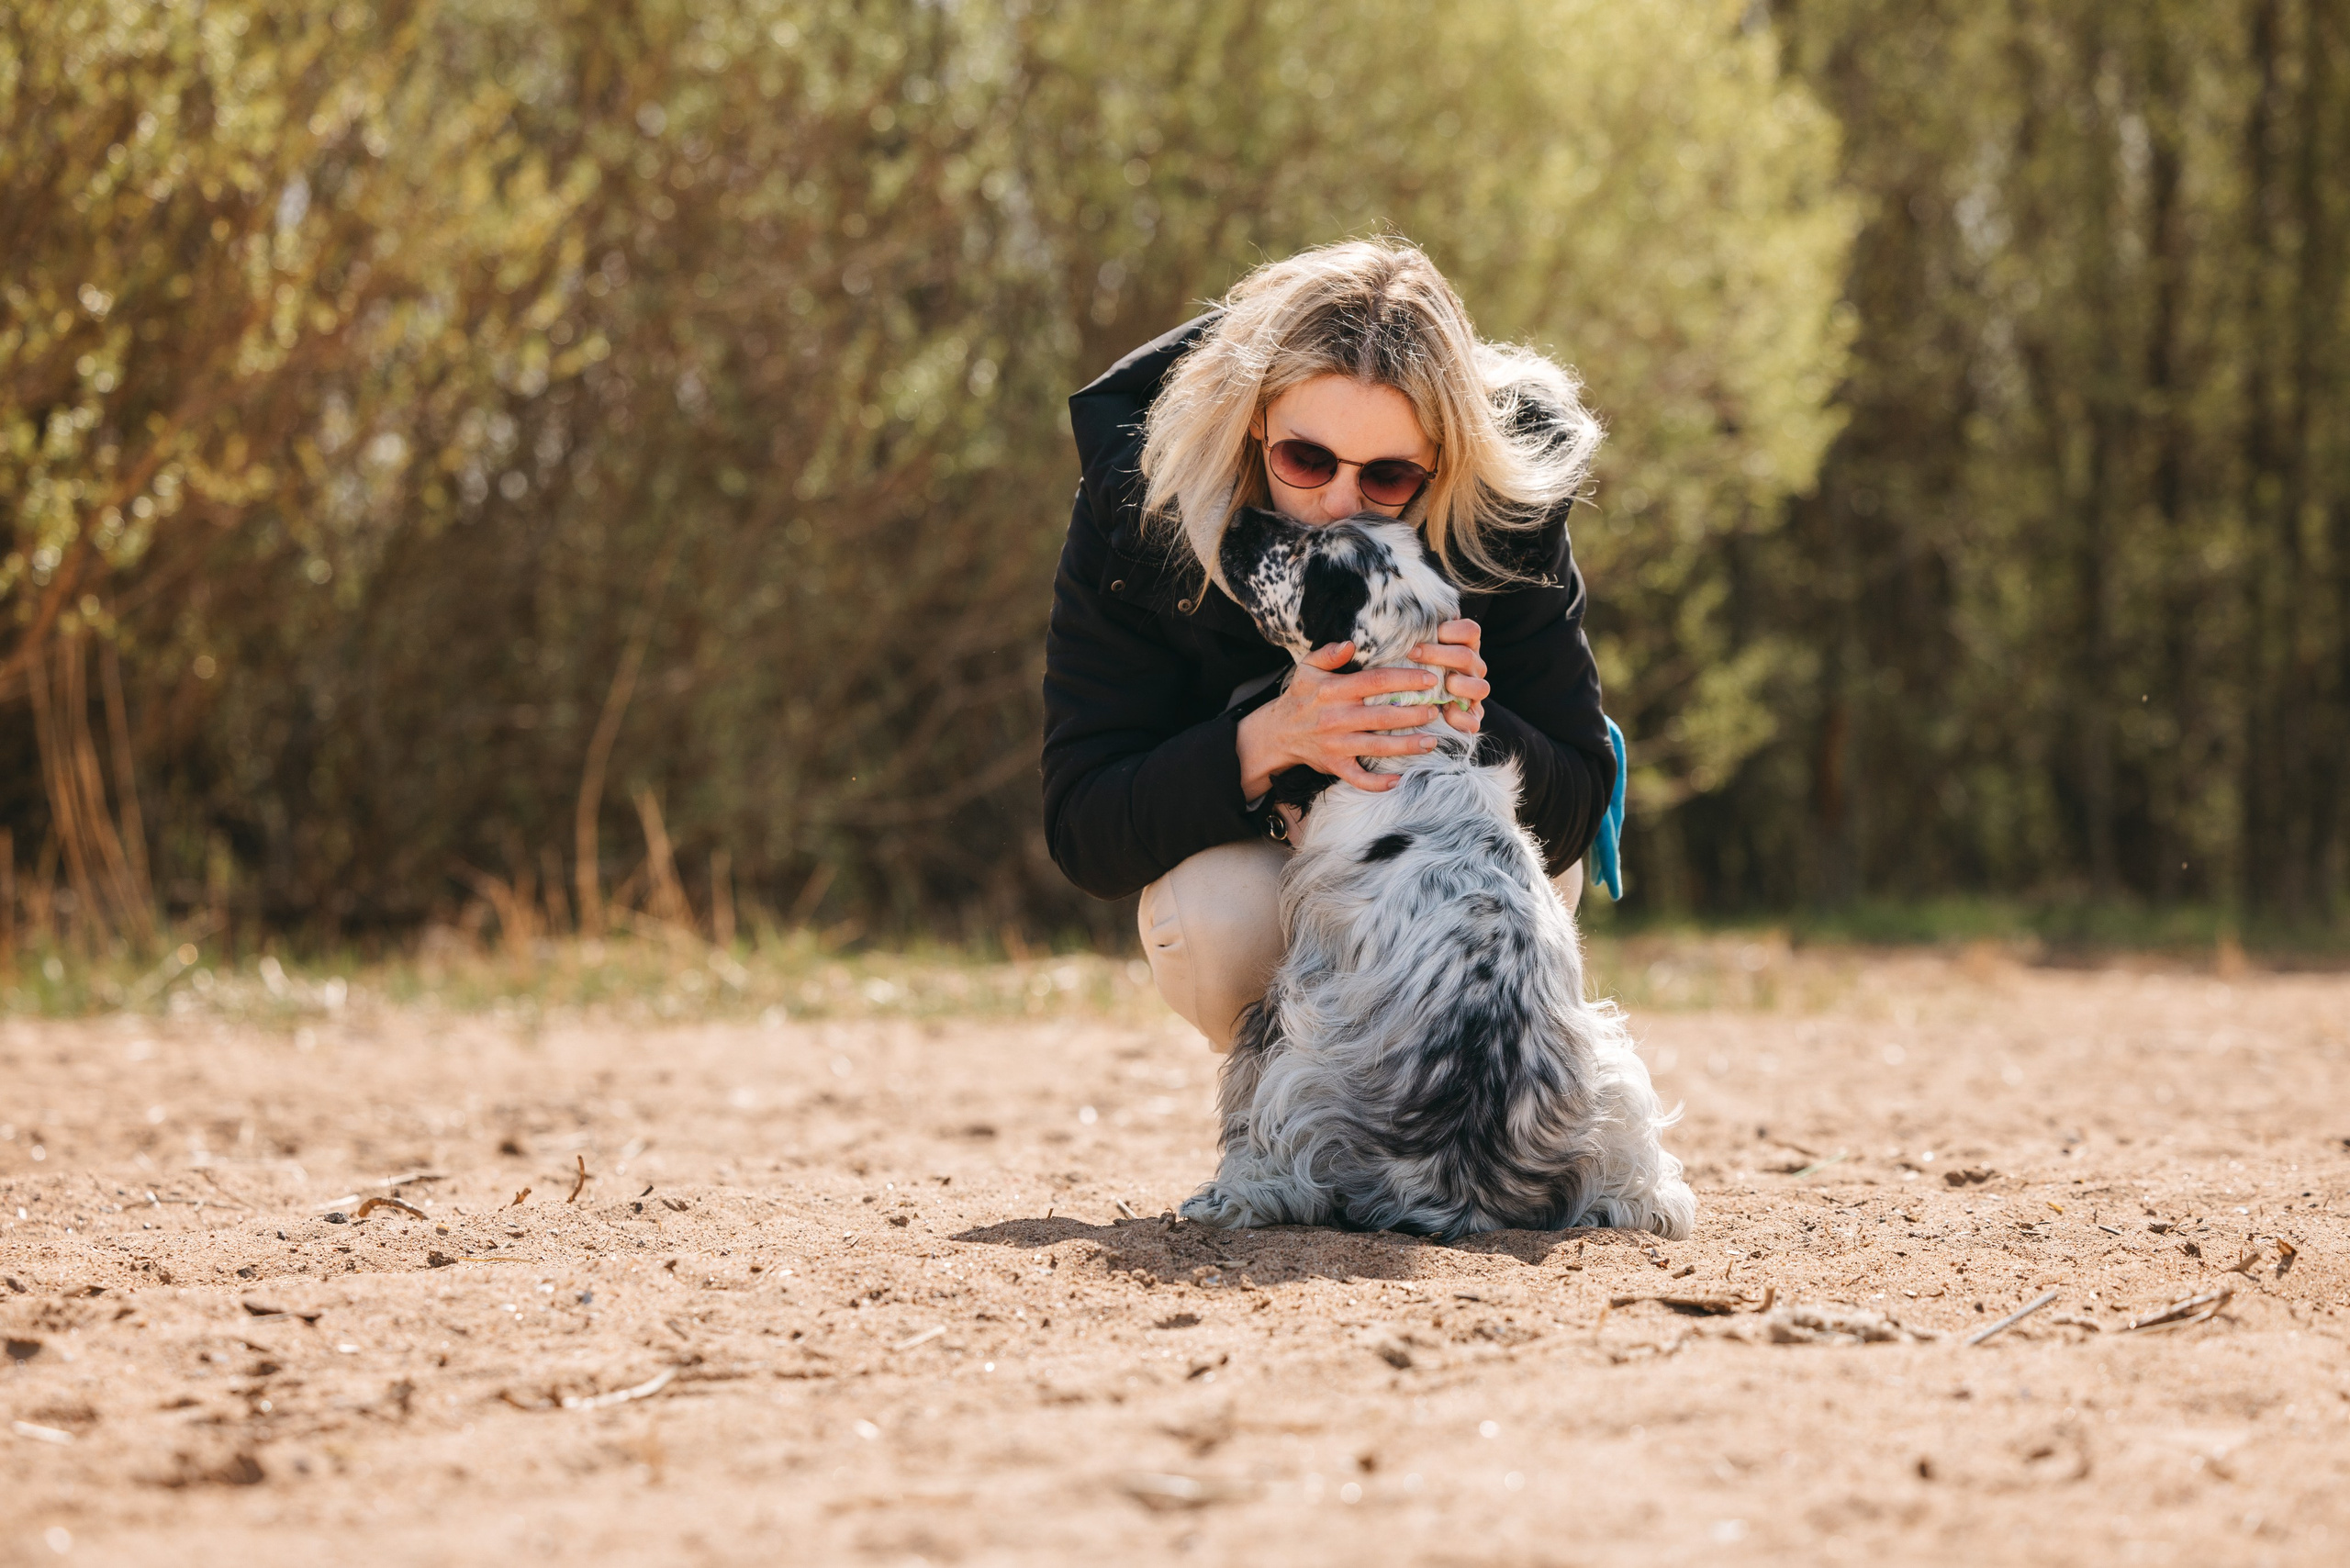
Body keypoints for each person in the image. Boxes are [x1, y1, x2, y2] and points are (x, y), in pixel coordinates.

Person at [1041, 240, 1616, 1049]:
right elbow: (1085, 826)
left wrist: (1467, 719)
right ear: (1252, 421)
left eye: (1388, 476)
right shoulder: (1141, 493)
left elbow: (1580, 797)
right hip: (1251, 863)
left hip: (1440, 855)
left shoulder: (1504, 496)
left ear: (1444, 459)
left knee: (1524, 882)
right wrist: (1271, 739)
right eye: (1305, 459)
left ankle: (1457, 1094)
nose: (1341, 505)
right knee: (1217, 924)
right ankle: (1295, 1104)